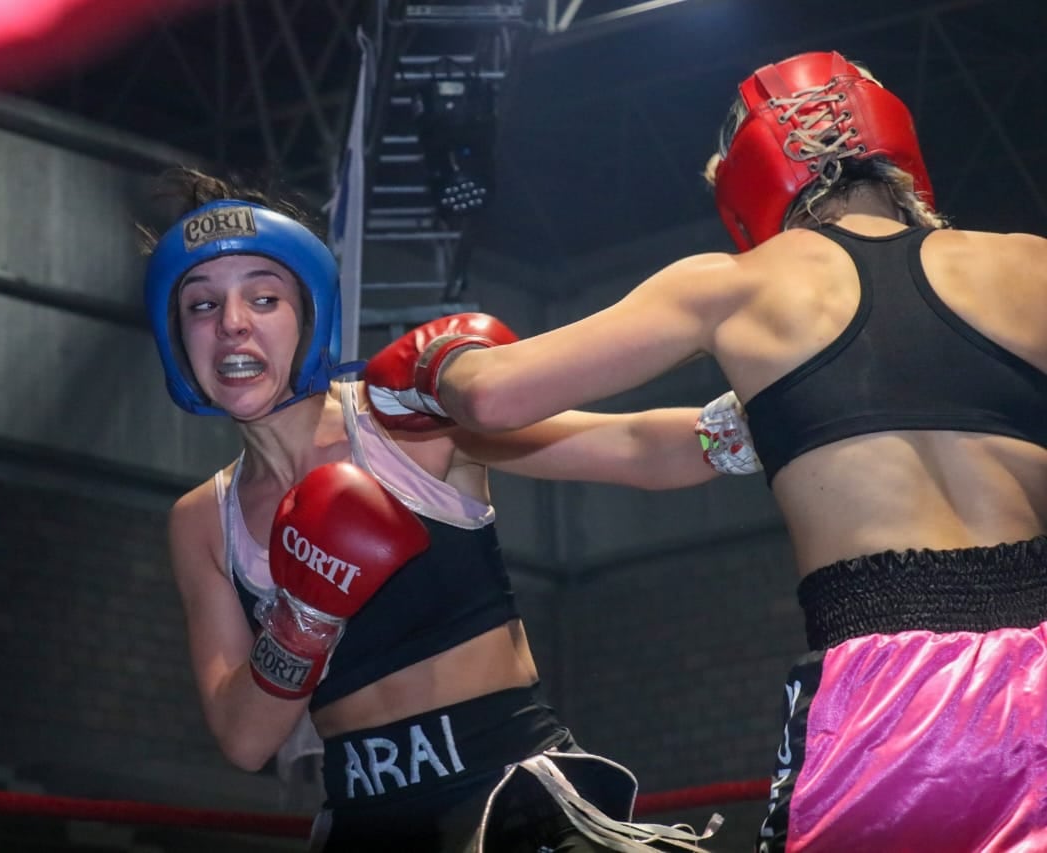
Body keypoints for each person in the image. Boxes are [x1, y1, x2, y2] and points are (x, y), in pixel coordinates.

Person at [364, 51, 1047, 853]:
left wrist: (429, 373)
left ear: (749, 180)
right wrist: (459, 435)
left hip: (889, 701)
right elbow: (670, 445)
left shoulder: (736, 286)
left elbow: (496, 395)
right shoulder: (1029, 266)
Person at [141, 168, 746, 852]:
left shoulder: (402, 423)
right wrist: (303, 617)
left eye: (263, 297)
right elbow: (245, 739)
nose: (232, 324)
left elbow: (632, 446)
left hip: (508, 799)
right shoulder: (202, 520)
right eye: (201, 305)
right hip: (362, 824)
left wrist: (777, 416)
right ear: (176, 337)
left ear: (307, 312)